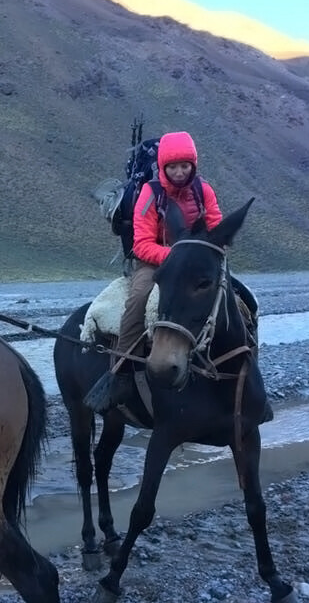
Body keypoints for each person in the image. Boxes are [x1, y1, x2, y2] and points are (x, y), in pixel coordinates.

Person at [86, 130, 224, 413]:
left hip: (194, 263)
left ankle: (242, 360)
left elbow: (215, 227)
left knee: (236, 297)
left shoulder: (203, 191)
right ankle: (122, 371)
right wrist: (174, 257)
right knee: (138, 298)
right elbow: (141, 244)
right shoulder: (150, 194)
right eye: (172, 166)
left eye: (184, 166)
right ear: (163, 167)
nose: (179, 171)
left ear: (193, 165)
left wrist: (208, 254)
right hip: (155, 261)